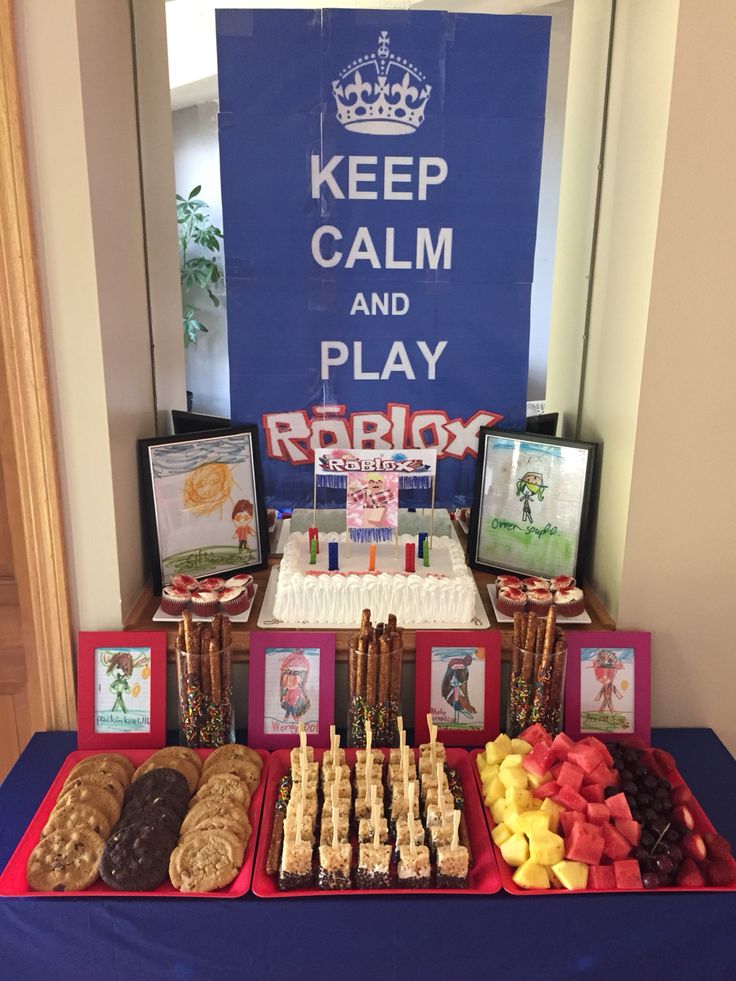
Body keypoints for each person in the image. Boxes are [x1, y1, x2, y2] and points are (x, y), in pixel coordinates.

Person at [441, 655, 476, 724]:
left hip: (451, 674)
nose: (470, 663)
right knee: (457, 687)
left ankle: (456, 706)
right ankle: (456, 705)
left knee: (457, 688)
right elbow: (462, 681)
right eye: (469, 662)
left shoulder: (462, 665)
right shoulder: (462, 666)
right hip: (452, 675)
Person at [280, 651, 311, 721]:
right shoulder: (290, 688)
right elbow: (287, 694)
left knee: (291, 707)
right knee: (290, 707)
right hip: (291, 702)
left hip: (294, 702)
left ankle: (290, 716)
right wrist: (284, 698)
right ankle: (291, 716)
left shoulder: (298, 689)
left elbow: (301, 693)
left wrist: (304, 699)